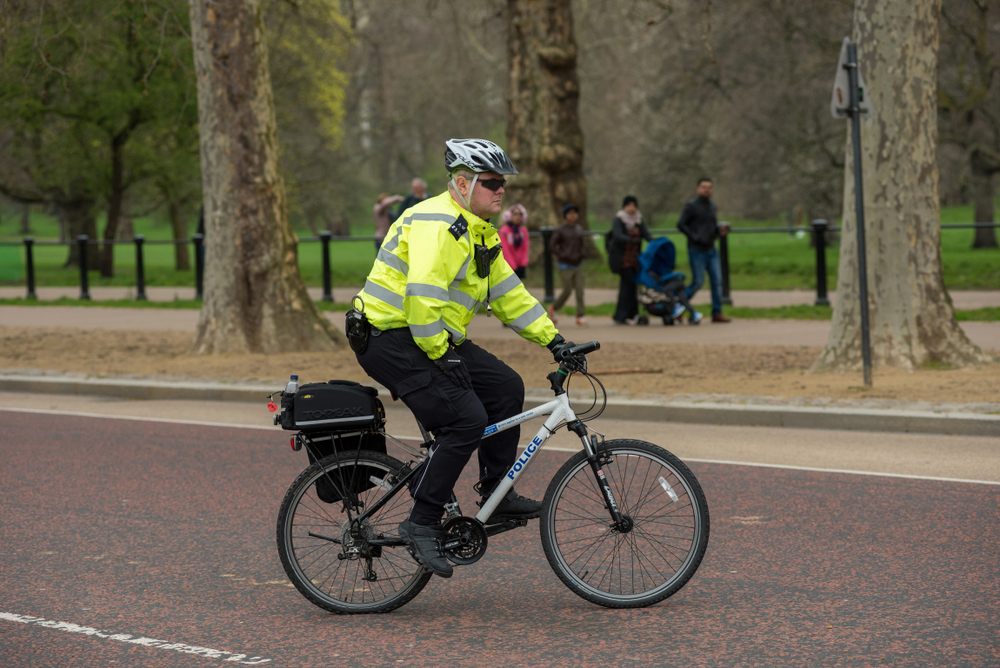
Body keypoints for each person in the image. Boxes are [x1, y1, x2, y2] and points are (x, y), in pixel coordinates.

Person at [352, 138, 577, 579]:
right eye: (492, 182)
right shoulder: (439, 224)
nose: (501, 191)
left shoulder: (477, 229)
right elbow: (423, 295)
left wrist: (555, 341)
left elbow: (510, 295)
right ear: (462, 182)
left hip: (428, 336)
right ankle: (420, 523)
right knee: (466, 419)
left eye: (503, 184)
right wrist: (440, 354)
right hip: (390, 337)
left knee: (506, 387)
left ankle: (497, 490)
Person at [677, 178, 731, 323]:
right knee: (698, 282)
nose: (707, 190)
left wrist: (719, 231)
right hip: (696, 250)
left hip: (711, 249)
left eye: (709, 187)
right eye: (703, 187)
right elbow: (681, 224)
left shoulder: (712, 206)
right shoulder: (691, 206)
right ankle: (679, 306)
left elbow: (710, 227)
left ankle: (717, 312)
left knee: (717, 281)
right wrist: (694, 237)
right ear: (698, 189)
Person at [609, 195, 653, 325]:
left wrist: (654, 241)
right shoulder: (619, 219)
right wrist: (630, 239)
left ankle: (629, 314)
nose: (632, 208)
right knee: (627, 285)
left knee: (632, 286)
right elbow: (617, 235)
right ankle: (623, 314)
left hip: (635, 258)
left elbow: (646, 234)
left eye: (634, 205)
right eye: (629, 205)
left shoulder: (638, 219)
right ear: (624, 206)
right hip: (623, 258)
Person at [547, 203, 588, 327]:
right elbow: (552, 246)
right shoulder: (561, 229)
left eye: (575, 213)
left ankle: (580, 315)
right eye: (570, 213)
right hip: (565, 265)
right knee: (567, 290)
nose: (573, 215)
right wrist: (563, 254)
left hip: (578, 264)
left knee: (580, 290)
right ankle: (553, 308)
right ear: (565, 215)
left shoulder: (579, 229)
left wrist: (582, 253)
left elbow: (581, 244)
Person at [498, 204, 529, 279]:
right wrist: (514, 267)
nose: (518, 217)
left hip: (520, 266)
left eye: (520, 214)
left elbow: (525, 248)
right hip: (509, 267)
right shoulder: (504, 231)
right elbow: (505, 251)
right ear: (509, 216)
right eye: (515, 214)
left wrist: (523, 264)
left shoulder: (523, 230)